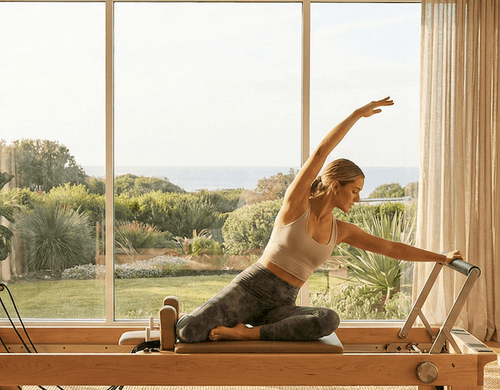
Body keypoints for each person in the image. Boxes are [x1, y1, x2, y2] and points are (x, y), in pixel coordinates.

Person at [175, 97, 463, 343]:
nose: (358, 199)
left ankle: (247, 333)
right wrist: (356, 116)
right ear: (335, 186)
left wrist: (441, 257)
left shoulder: (343, 230)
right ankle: (177, 315)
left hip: (283, 302)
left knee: (327, 319)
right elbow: (321, 152)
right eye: (355, 190)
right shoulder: (296, 204)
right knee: (189, 330)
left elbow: (391, 249)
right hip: (251, 288)